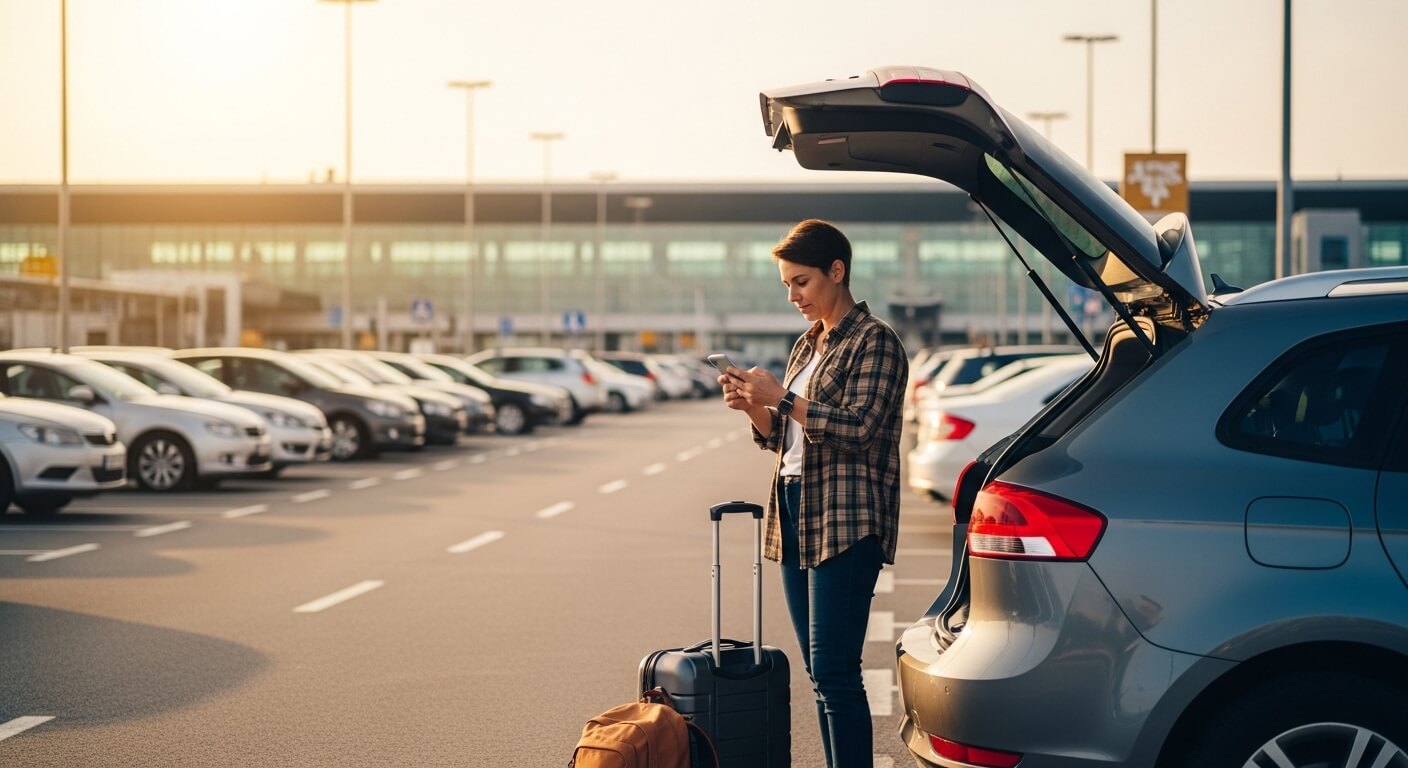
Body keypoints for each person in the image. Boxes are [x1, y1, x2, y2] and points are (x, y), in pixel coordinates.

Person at [717, 219, 908, 767]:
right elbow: (782, 437)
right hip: (795, 508)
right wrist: (752, 404)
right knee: (819, 674)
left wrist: (780, 398)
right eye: (785, 285)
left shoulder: (877, 341)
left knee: (835, 672)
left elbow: (860, 427)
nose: (793, 295)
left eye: (800, 282)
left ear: (836, 271)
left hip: (846, 517)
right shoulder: (808, 344)